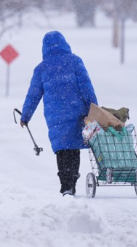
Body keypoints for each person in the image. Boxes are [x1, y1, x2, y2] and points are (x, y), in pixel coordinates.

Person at [19, 31, 98, 196]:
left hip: (55, 116)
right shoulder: (75, 61)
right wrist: (94, 109)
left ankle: (65, 184)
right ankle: (72, 179)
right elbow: (87, 87)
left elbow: (33, 95)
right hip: (77, 112)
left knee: (62, 149)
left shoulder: (41, 69)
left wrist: (25, 116)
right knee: (73, 147)